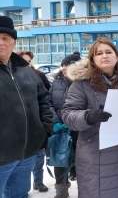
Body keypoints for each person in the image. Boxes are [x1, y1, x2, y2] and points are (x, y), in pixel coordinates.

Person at [62, 37, 118, 198]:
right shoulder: (82, 83)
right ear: (93, 59)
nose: (104, 56)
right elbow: (68, 114)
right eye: (99, 53)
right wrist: (88, 116)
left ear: (116, 56)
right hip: (96, 153)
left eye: (108, 52)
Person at [0, 16, 53, 198]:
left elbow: (44, 100)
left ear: (14, 42)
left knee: (20, 195)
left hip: (27, 154)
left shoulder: (27, 71)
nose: (1, 43)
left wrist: (44, 131)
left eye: (5, 38)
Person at [16, 50, 51, 193]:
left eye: (29, 61)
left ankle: (38, 181)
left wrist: (47, 125)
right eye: (24, 61)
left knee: (39, 156)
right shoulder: (12, 76)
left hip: (38, 124)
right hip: (20, 127)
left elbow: (47, 96)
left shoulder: (39, 75)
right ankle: (22, 187)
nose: (27, 64)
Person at [49, 52, 81, 198]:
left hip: (80, 130)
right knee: (59, 161)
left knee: (82, 163)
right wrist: (55, 121)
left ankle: (85, 191)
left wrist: (74, 121)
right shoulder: (56, 82)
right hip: (60, 130)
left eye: (67, 65)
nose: (63, 67)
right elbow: (48, 103)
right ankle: (61, 192)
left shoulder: (83, 81)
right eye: (62, 64)